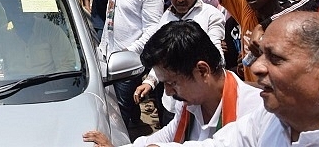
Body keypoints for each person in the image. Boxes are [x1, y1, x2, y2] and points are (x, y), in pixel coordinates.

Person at [142, 11, 319, 146]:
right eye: (260, 55)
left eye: (275, 58)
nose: (257, 67)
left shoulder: (254, 107)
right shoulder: (268, 119)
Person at [82, 21, 262, 147]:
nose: (168, 92)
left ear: (202, 71)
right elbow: (168, 135)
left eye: (172, 83)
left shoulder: (255, 112)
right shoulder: (190, 104)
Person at [50, 0, 164, 129]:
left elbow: (153, 31)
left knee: (121, 112)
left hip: (127, 64)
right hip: (104, 57)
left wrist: (129, 51)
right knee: (111, 105)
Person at [135, 0, 226, 127]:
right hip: (171, 104)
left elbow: (216, 55)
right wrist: (150, 82)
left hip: (198, 101)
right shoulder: (166, 16)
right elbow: (161, 58)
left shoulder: (211, 15)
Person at [0, 0, 76, 77]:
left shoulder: (51, 30)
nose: (20, 18)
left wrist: (54, 84)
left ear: (31, 12)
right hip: (11, 89)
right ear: (9, 14)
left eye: (23, 13)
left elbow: (66, 65)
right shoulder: (1, 36)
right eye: (15, 13)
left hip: (48, 86)